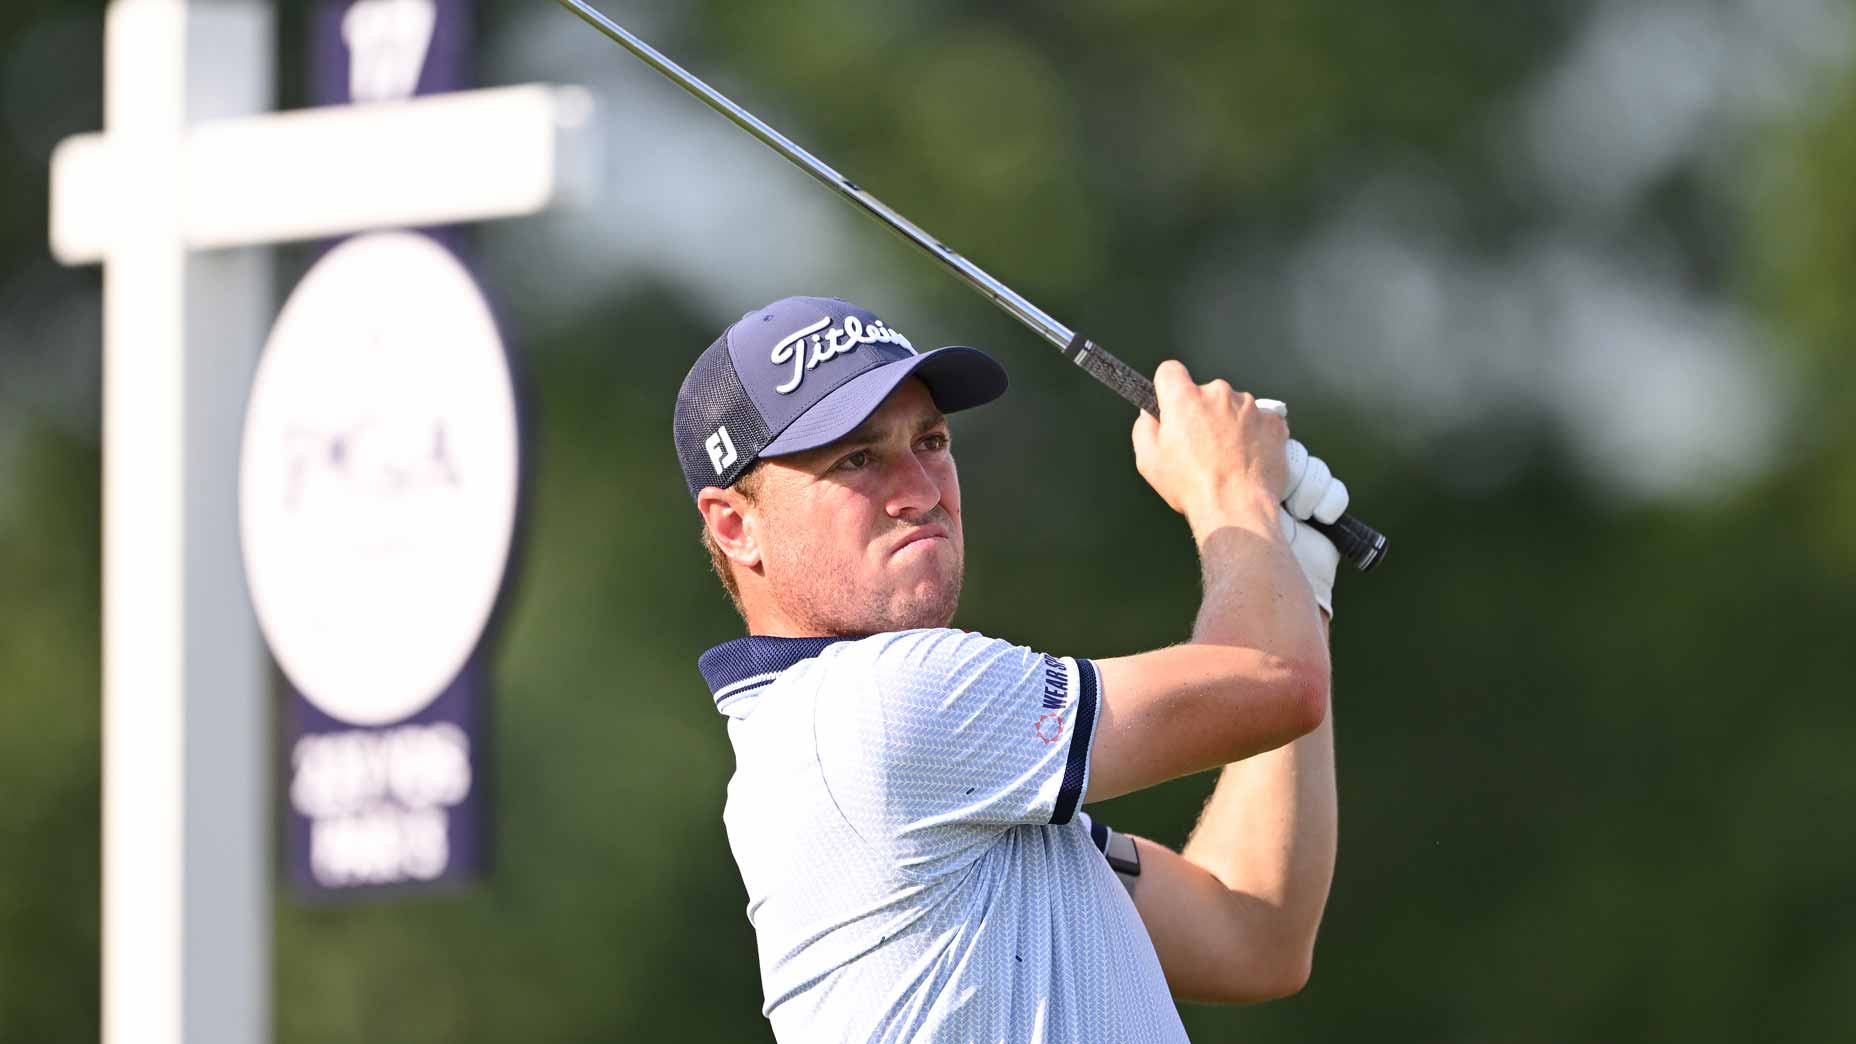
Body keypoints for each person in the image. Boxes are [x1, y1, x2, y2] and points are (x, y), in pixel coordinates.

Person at [673, 296, 1346, 1043]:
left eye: (929, 441)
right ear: (735, 525)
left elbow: (1252, 933)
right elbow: (1272, 681)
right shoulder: (874, 704)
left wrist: (1292, 580)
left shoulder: (934, 771)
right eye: (856, 459)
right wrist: (1230, 493)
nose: (923, 494)